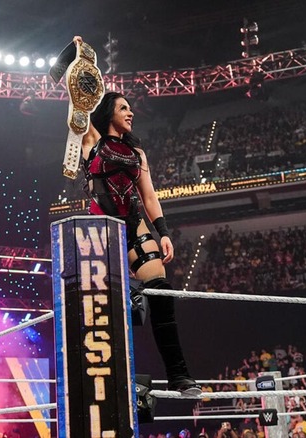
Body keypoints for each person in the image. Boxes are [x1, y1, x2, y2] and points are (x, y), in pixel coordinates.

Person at [73, 35, 200, 396]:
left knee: (161, 293)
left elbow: (149, 196)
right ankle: (113, 379)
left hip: (135, 223)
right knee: (109, 307)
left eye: (131, 108)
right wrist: (81, 61)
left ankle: (179, 375)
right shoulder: (92, 141)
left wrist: (163, 231)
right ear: (109, 112)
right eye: (124, 107)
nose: (131, 112)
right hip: (100, 229)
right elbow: (77, 102)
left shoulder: (137, 152)